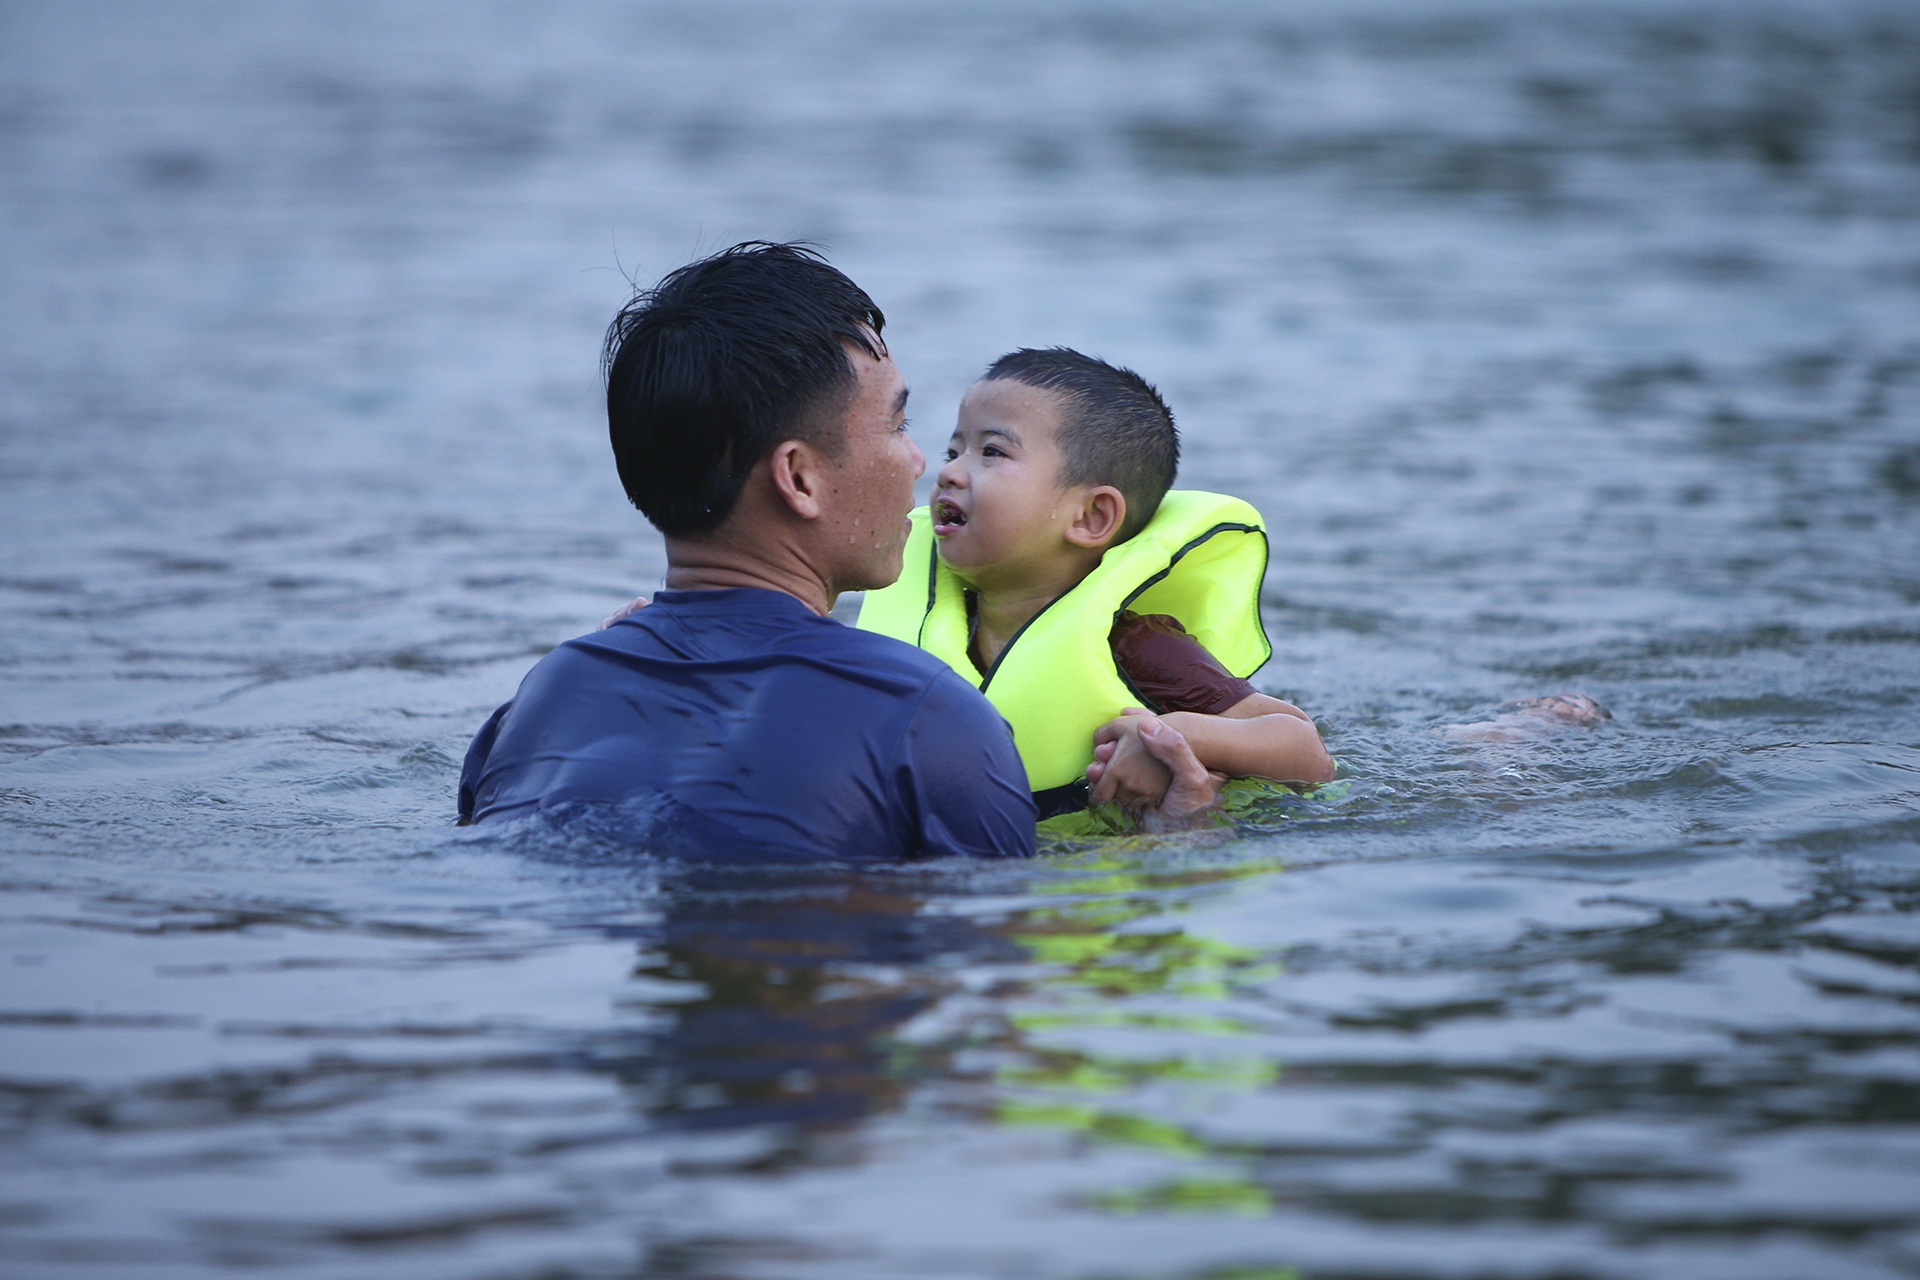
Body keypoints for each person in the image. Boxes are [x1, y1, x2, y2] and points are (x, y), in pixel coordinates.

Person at [461, 245, 1150, 860]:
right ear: (799, 479)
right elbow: (999, 969)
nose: (919, 463)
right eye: (898, 424)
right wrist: (1178, 831)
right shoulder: (926, 722)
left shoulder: (539, 703)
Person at [857, 347, 1336, 823]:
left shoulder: (1136, 644)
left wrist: (1175, 735)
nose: (948, 472)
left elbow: (1307, 751)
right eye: (953, 450)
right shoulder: (923, 624)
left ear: (1091, 517)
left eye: (992, 452)